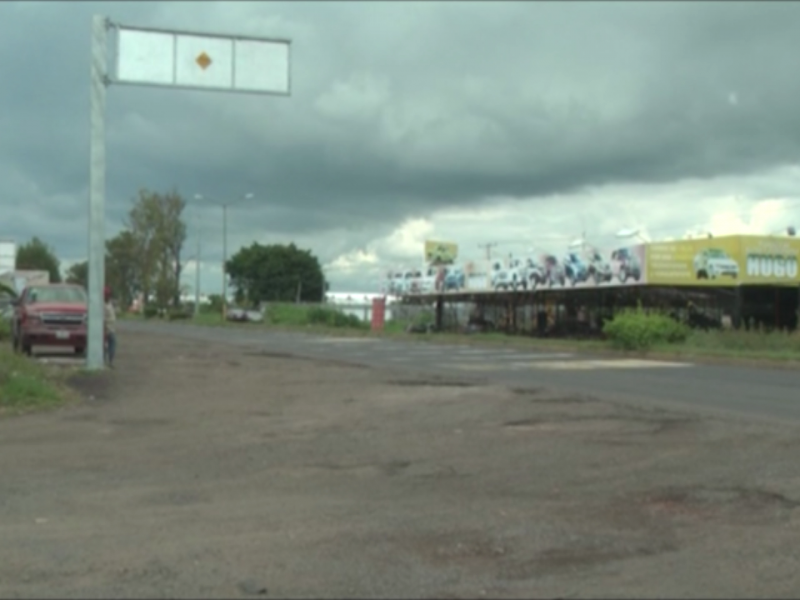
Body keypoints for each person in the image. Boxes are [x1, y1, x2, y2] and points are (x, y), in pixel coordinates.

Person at [104, 286, 117, 368]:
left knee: (112, 345)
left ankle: (110, 362)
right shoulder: (103, 305)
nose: (108, 296)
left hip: (111, 329)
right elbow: (103, 319)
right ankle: (106, 362)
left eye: (109, 294)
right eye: (107, 295)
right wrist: (104, 331)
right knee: (106, 346)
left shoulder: (109, 304)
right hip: (106, 329)